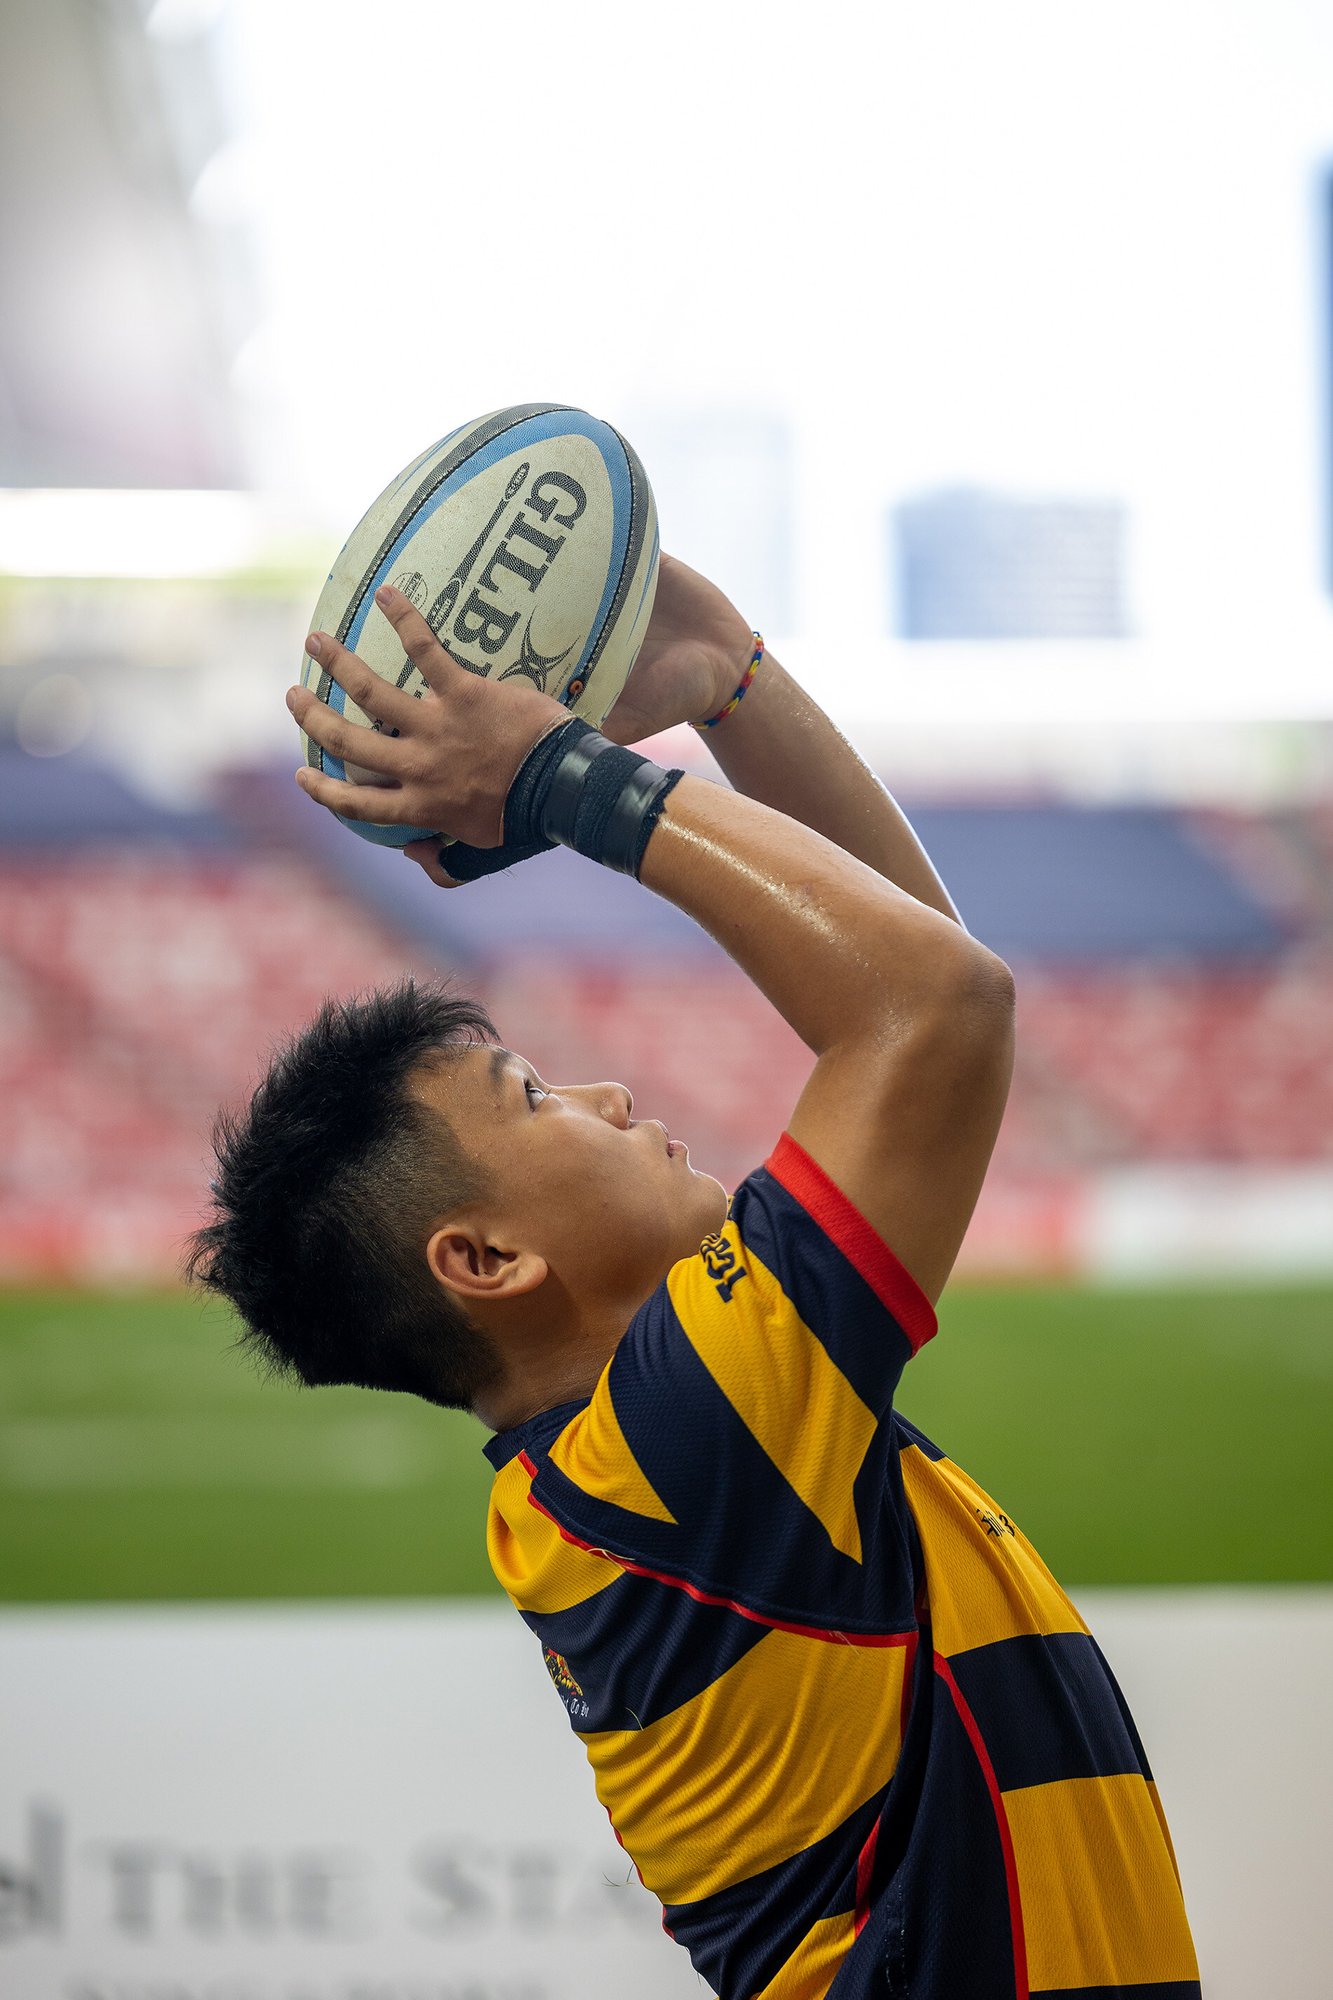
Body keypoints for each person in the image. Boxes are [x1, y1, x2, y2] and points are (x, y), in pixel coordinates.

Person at [189, 555, 1201, 2000]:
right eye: (533, 1097)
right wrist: (565, 776)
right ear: (483, 1261)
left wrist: (731, 678)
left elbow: (927, 980)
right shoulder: (683, 1442)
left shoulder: (635, 1470)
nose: (602, 1094)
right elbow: (934, 1005)